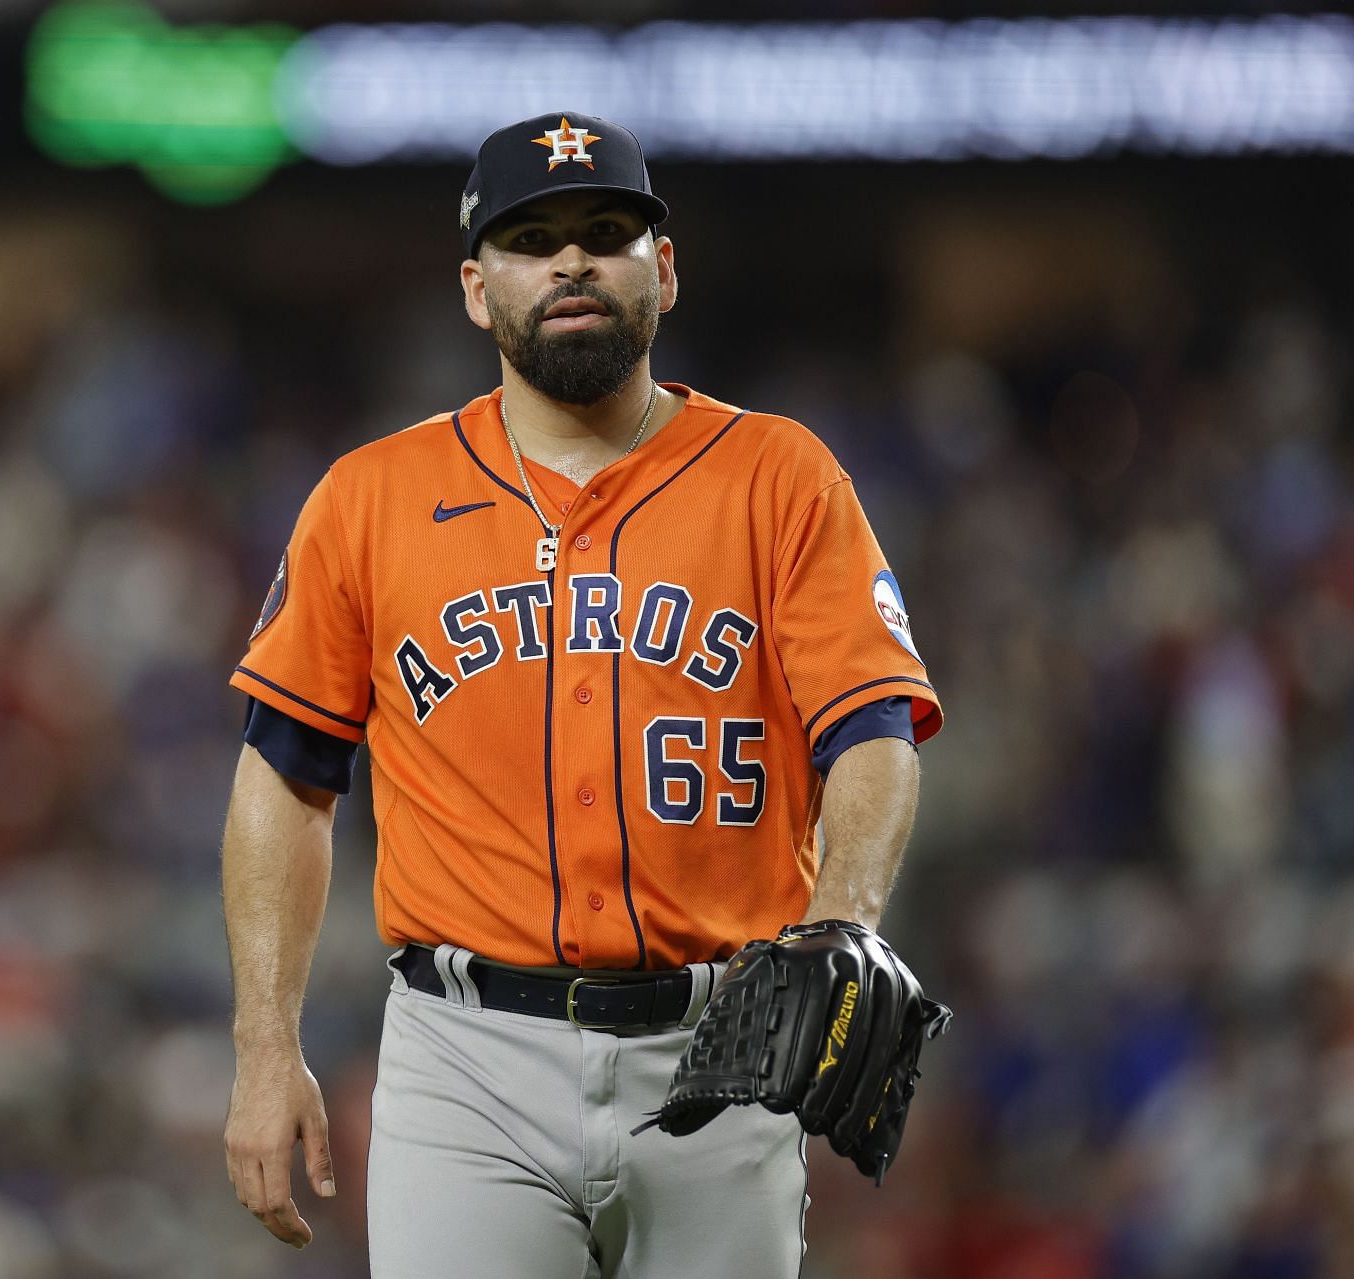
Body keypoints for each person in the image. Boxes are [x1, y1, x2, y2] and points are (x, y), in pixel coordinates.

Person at [219, 110, 943, 1278]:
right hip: (468, 1058)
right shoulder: (371, 497)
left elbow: (872, 730)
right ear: (474, 287)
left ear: (664, 269)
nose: (569, 261)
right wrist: (265, 1046)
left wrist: (843, 926)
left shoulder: (780, 475)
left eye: (606, 231)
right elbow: (284, 781)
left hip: (723, 1047)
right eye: (529, 237)